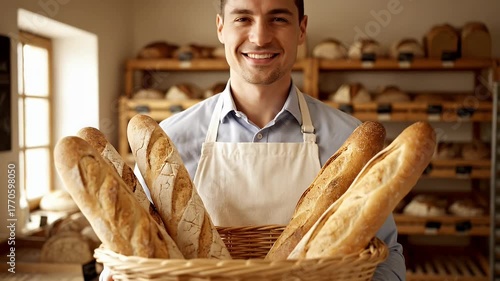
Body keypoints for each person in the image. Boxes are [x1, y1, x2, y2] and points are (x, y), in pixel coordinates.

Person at [102, 0, 406, 280]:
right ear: (221, 28)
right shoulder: (170, 141)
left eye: (278, 19)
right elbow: (135, 251)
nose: (260, 38)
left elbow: (387, 254)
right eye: (243, 18)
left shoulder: (348, 139)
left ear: (301, 30)